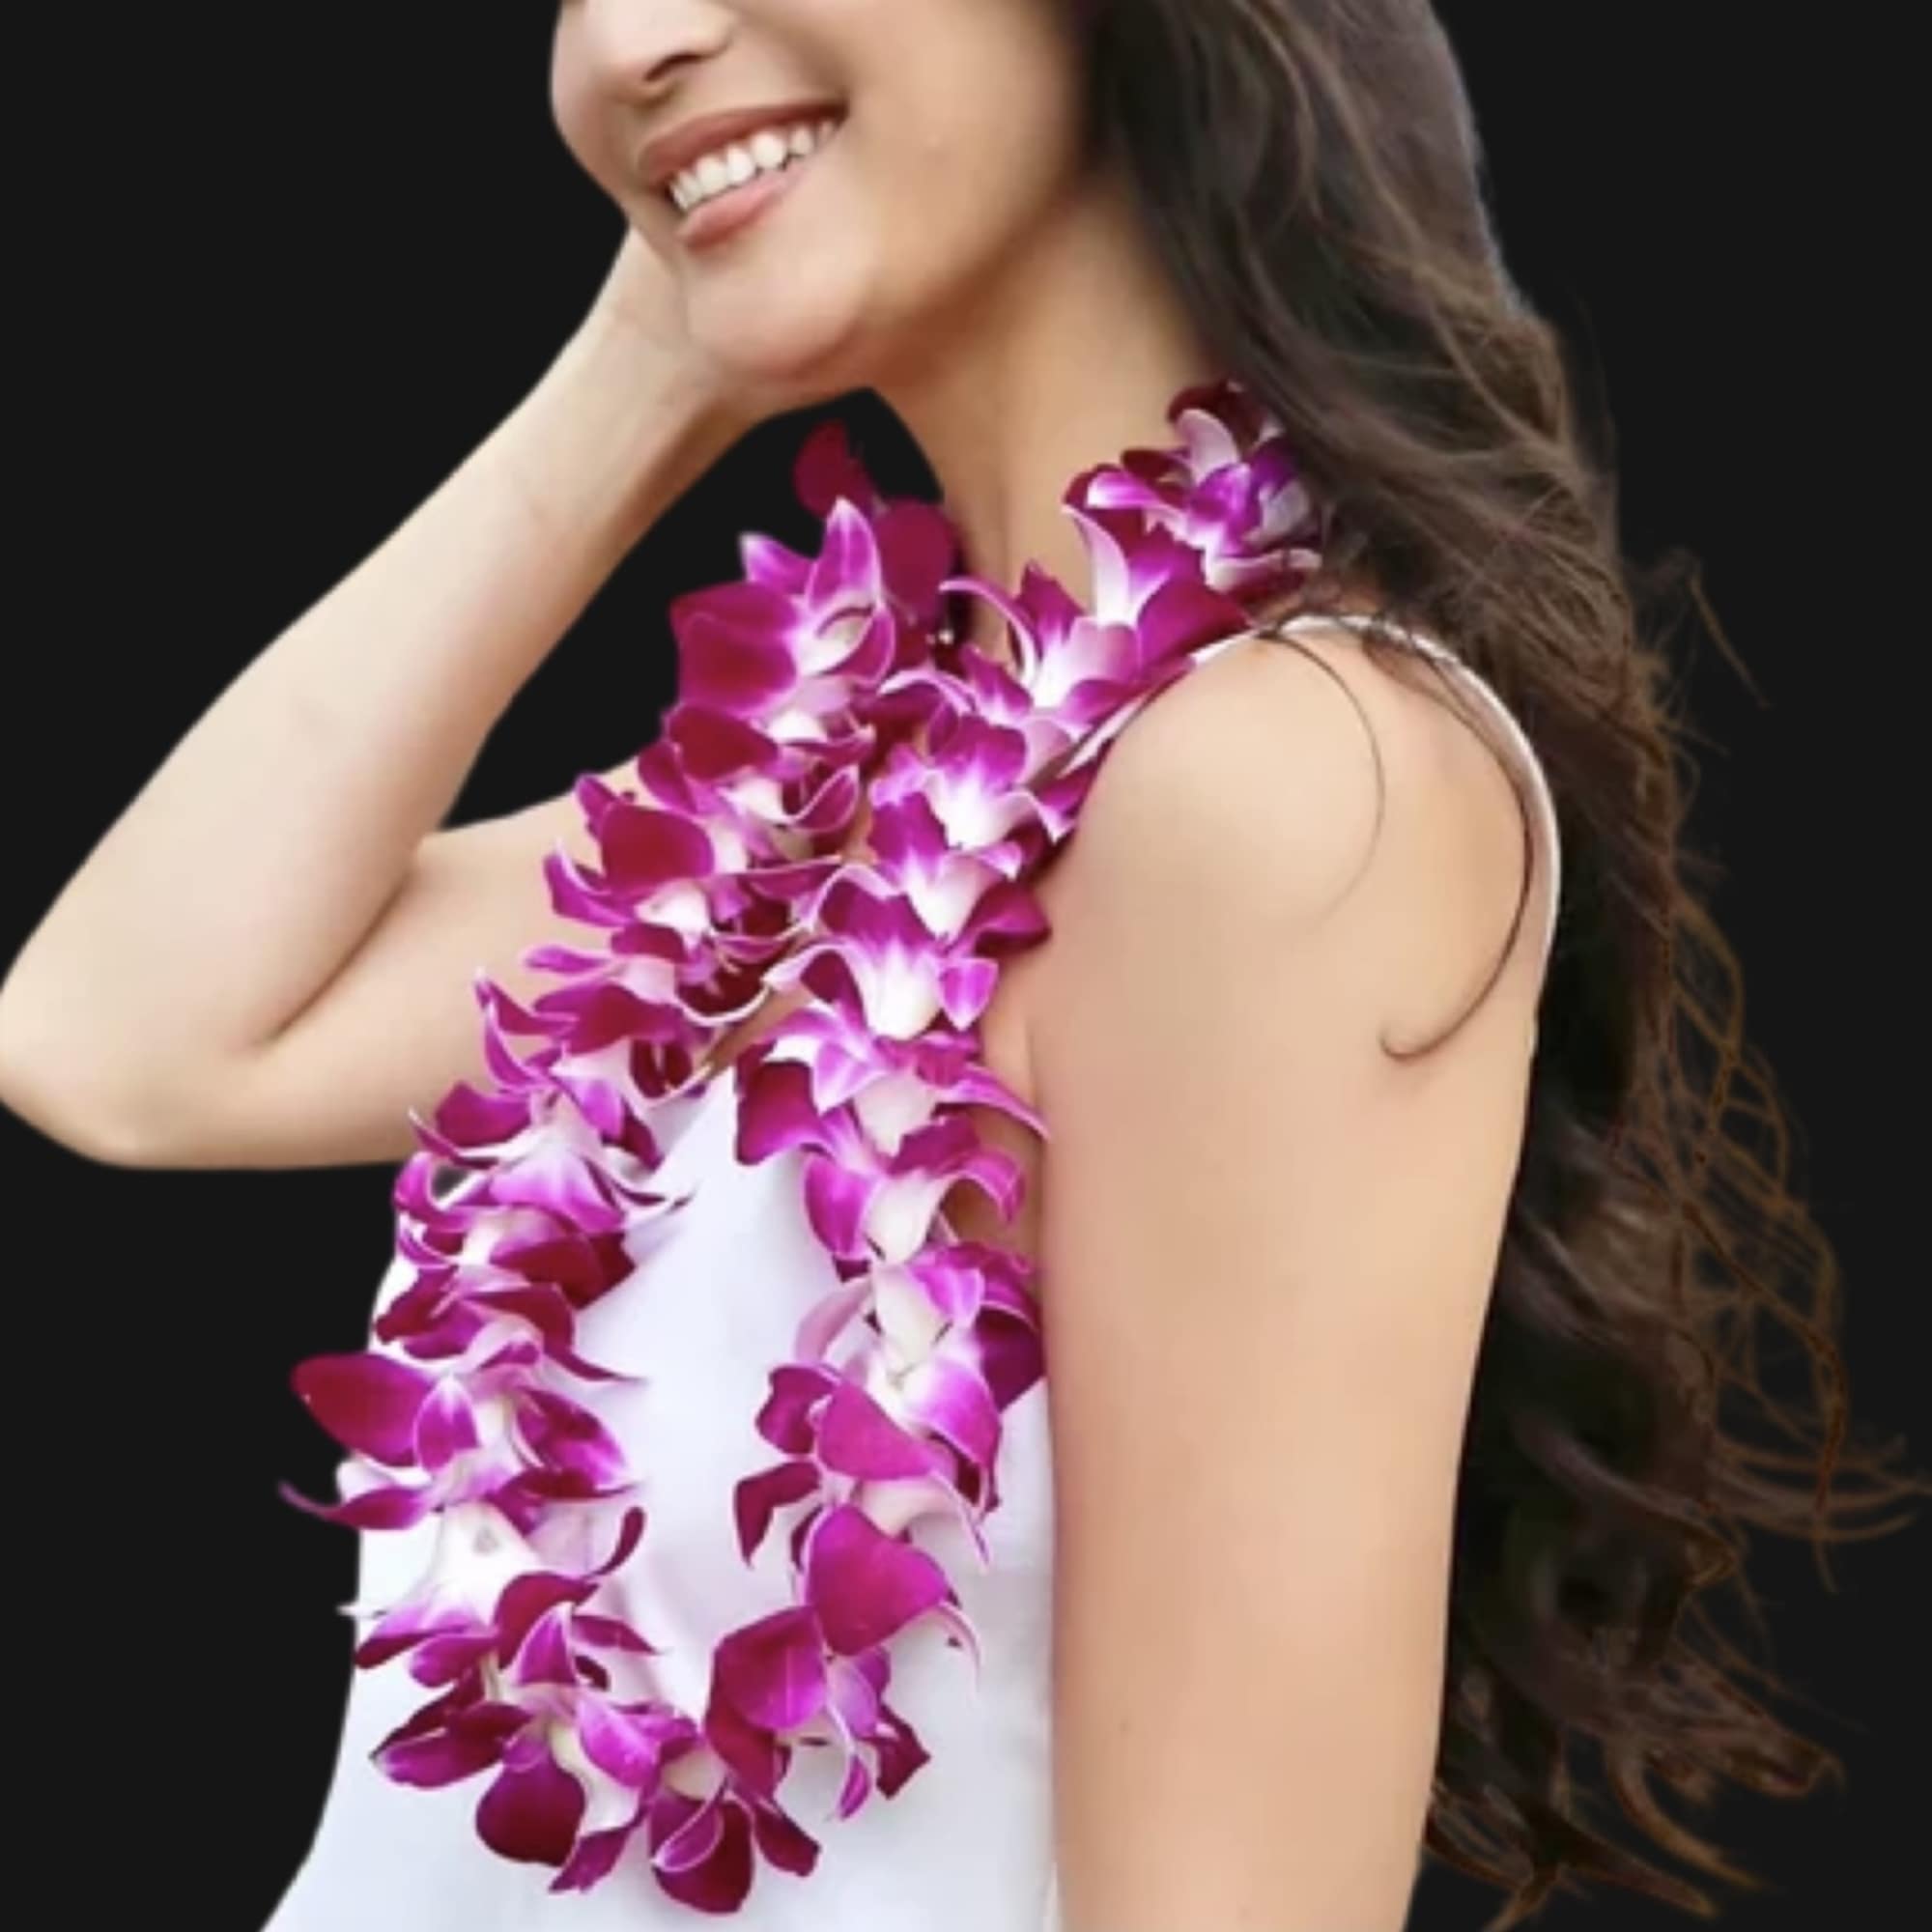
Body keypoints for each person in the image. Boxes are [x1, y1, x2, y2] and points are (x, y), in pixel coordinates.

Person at [0, 4, 1920, 1929]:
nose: (637, 37)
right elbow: (119, 1038)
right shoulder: (802, 807)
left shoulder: (1285, 785)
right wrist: (652, 357)